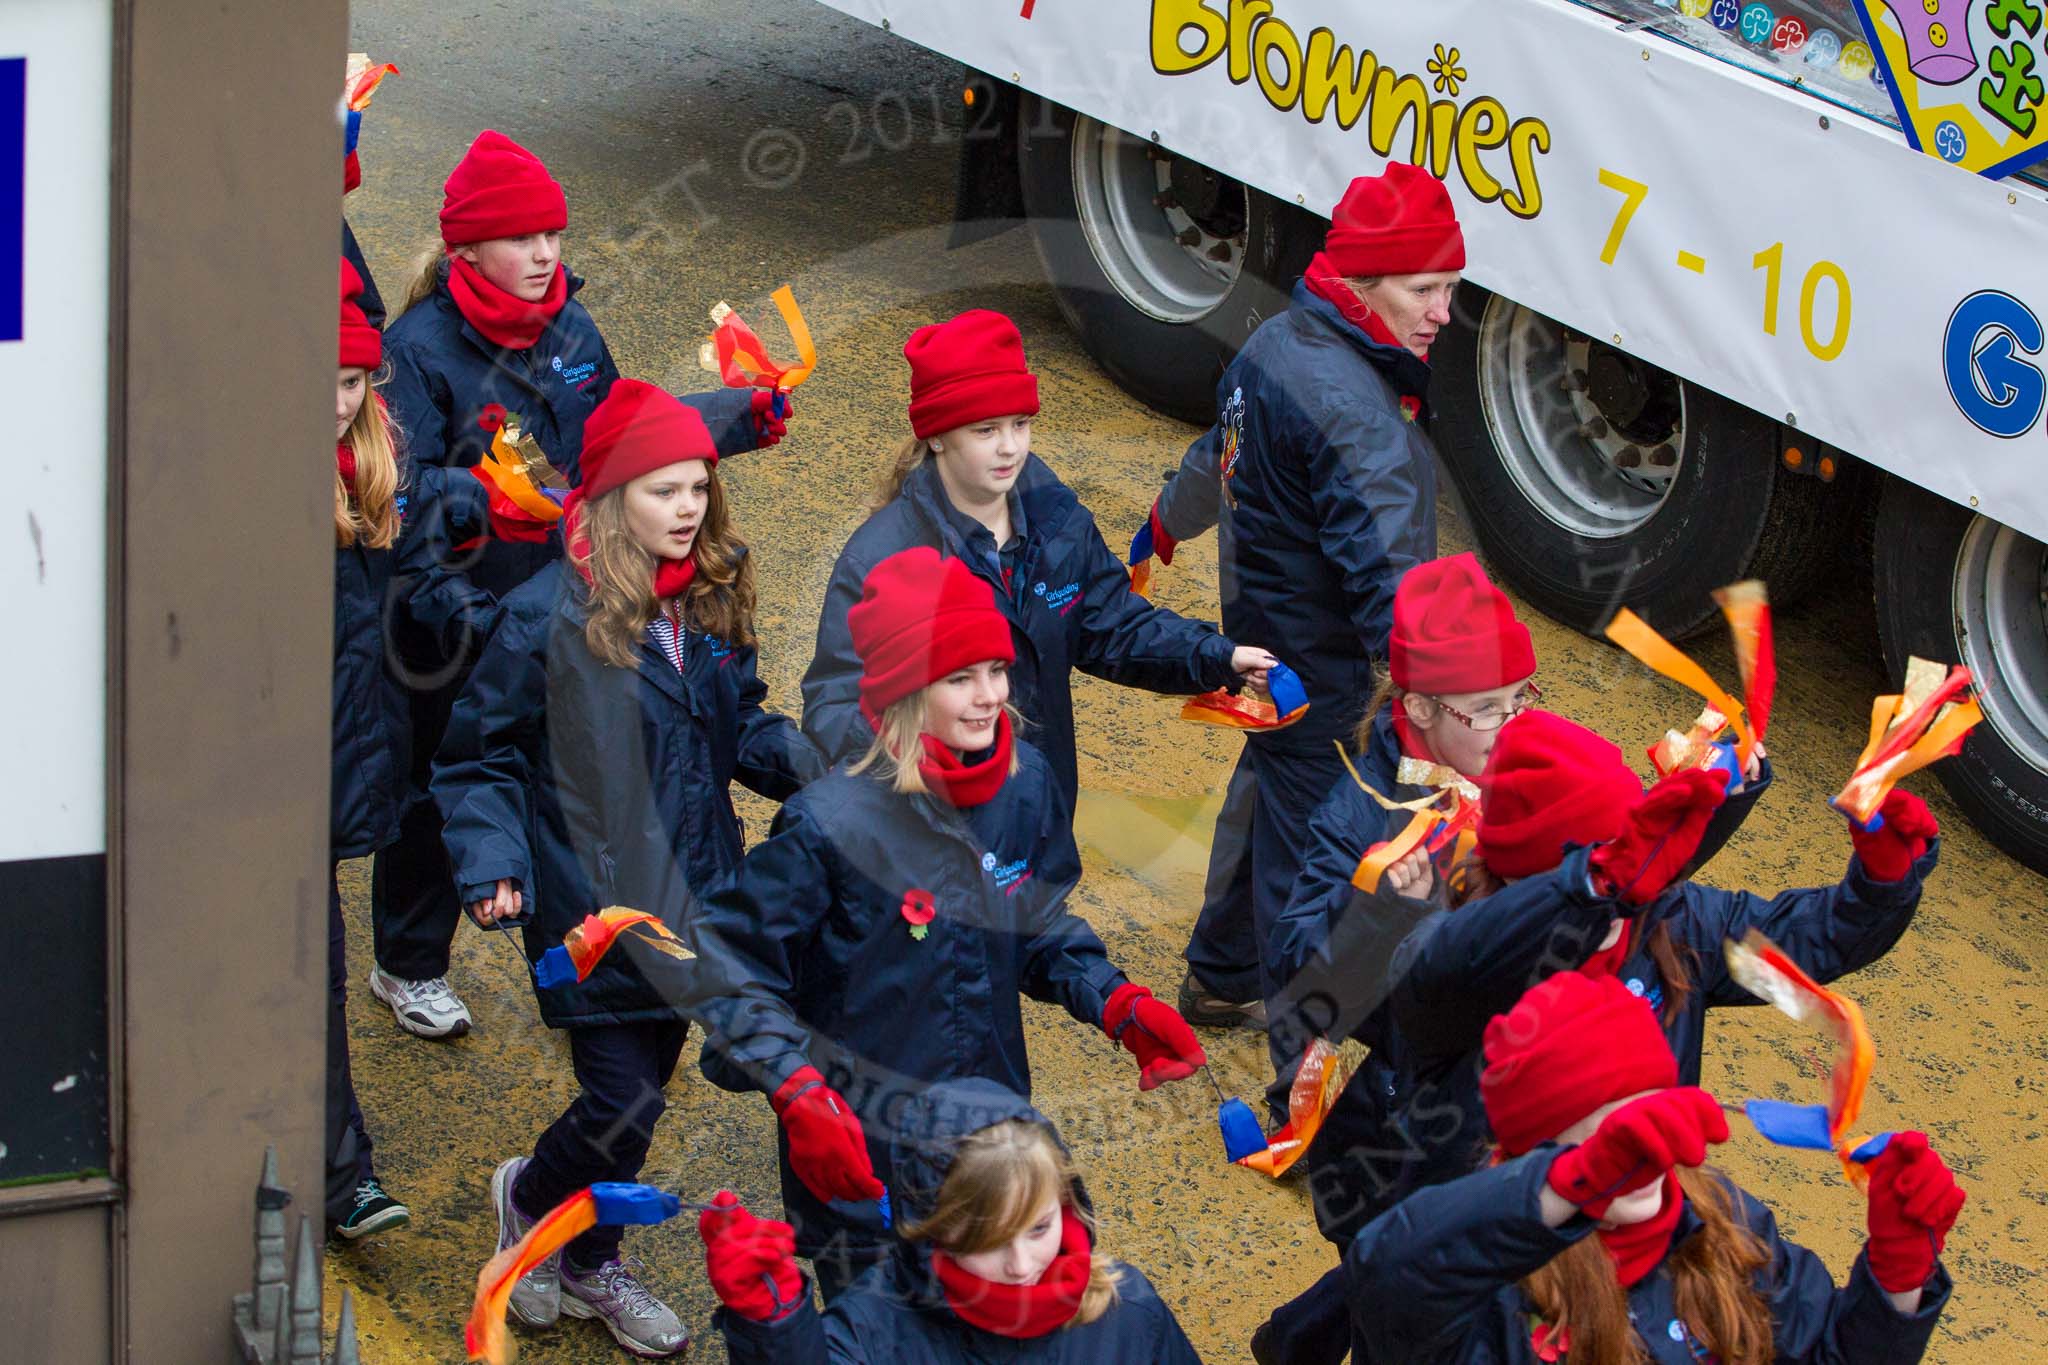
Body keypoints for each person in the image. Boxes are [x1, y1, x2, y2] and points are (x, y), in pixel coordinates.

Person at [1256, 561, 1769, 1363]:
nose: (1512, 723)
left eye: (1522, 696)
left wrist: (1726, 789)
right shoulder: (1356, 806)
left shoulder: (1535, 759)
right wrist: (1382, 910)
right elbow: (1299, 982)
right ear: (1419, 707)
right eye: (1487, 708)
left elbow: (1630, 873)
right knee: (1410, 1292)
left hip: (1562, 1099)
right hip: (1429, 1120)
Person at [693, 546, 1208, 1299]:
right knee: (876, 1329)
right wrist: (797, 1089)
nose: (989, 695)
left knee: (995, 1311)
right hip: (861, 1146)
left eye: (997, 670)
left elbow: (1035, 917)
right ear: (902, 691)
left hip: (988, 1130)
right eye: (959, 678)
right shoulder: (825, 826)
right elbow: (732, 977)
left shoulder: (1026, 782)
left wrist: (1112, 998)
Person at [371, 129, 791, 1043]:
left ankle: (585, 975)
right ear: (467, 250)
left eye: (554, 236)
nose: (546, 255)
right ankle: (407, 960)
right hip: (455, 617)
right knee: (442, 784)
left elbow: (617, 432)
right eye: (524, 239)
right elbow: (395, 504)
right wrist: (478, 543)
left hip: (570, 596)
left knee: (569, 788)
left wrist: (733, 420)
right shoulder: (414, 350)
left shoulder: (569, 324)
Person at [432, 380, 823, 1358]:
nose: (688, 505)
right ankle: (527, 1197)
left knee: (645, 1092)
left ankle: (583, 1254)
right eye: (661, 489)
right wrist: (490, 862)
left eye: (697, 485)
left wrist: (832, 773)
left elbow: (742, 728)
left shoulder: (710, 595)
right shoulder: (543, 619)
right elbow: (476, 753)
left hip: (691, 897)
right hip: (584, 904)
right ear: (608, 500)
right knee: (624, 1098)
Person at [1137, 164, 1465, 1082]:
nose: (1444, 313)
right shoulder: (1363, 422)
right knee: (1307, 875)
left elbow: (1220, 452)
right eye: (1425, 290)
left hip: (1267, 658)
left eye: (1451, 289)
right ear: (1361, 283)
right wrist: (1432, 703)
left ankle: (1218, 971)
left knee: (1266, 798)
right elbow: (1393, 593)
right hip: (1328, 686)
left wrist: (1168, 519)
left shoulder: (1276, 343)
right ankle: (1297, 1079)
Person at [1345, 970, 1962, 1363]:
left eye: (1650, 1109)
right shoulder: (1486, 1280)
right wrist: (1572, 1189)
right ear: (1542, 1146)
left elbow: (1830, 1354)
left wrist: (1898, 1274)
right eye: (1609, 1122)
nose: (1643, 1145)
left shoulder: (1727, 1222)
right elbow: (1386, 1278)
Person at [799, 308, 1276, 816]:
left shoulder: (1056, 518)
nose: (1010, 448)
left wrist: (1216, 657)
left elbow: (1112, 623)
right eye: (985, 430)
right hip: (931, 832)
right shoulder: (879, 559)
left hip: (1037, 819)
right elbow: (835, 706)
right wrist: (928, 766)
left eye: (1020, 424)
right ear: (937, 436)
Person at [698, 1077, 1204, 1362]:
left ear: (1068, 1203)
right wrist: (778, 1326)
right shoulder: (874, 1331)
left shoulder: (1129, 1306)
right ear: (930, 1230)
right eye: (986, 1240)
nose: (1022, 1265)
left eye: (1040, 1227)